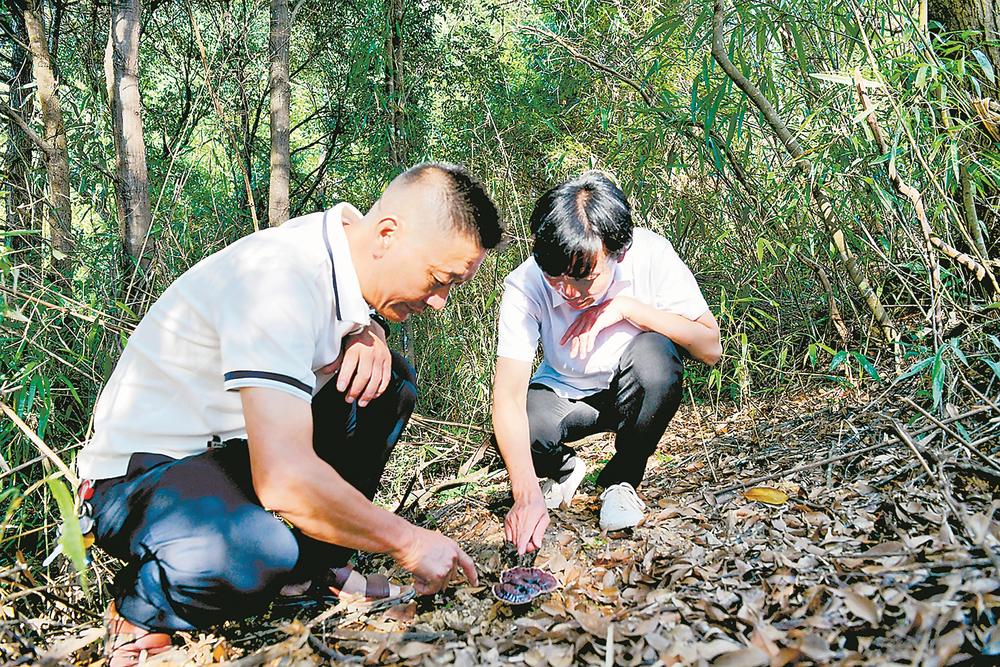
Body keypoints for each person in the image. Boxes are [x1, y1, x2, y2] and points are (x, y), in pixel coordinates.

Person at [76, 162, 503, 666]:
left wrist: (370, 331)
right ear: (387, 234)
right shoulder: (279, 279)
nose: (439, 302)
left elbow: (335, 319)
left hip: (224, 455)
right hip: (137, 479)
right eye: (438, 279)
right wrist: (408, 542)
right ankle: (142, 614)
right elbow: (282, 479)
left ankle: (308, 575)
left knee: (388, 384)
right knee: (259, 548)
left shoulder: (337, 249)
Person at [492, 171, 721, 554]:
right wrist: (526, 491)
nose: (569, 292)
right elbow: (508, 397)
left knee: (655, 358)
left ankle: (622, 481)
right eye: (556, 277)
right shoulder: (526, 284)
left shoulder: (650, 254)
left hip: (633, 390)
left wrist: (627, 309)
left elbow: (710, 346)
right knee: (522, 428)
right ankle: (564, 471)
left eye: (585, 277)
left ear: (619, 250)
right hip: (567, 396)